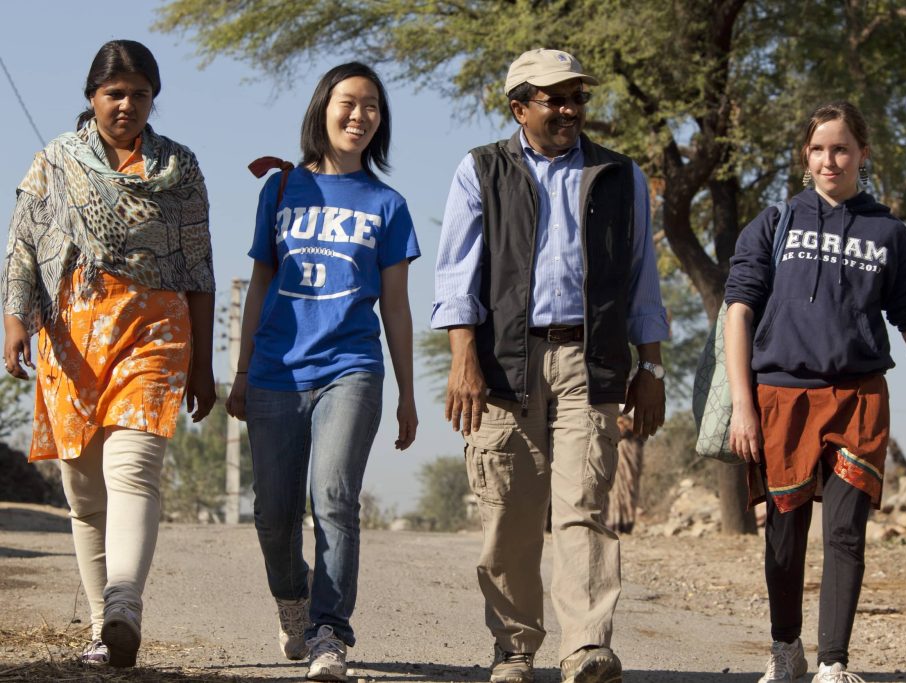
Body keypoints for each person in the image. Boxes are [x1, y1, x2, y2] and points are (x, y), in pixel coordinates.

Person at [432, 48, 668, 683]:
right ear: (519, 108)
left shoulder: (621, 177)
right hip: (505, 361)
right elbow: (457, 278)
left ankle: (586, 647)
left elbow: (642, 278)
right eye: (554, 99)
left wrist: (652, 366)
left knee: (583, 503)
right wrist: (464, 362)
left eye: (576, 99)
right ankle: (513, 649)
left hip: (588, 360)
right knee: (509, 511)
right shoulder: (480, 170)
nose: (569, 110)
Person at [724, 101, 906, 683]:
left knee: (845, 531)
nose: (830, 160)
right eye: (818, 149)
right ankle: (786, 652)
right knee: (784, 534)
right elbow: (738, 311)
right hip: (781, 396)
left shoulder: (888, 232)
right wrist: (742, 404)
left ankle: (833, 663)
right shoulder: (775, 222)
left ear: (862, 153)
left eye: (841, 148)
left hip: (859, 397)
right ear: (805, 157)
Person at [1, 40, 216, 668]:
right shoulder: (54, 162)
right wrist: (16, 321)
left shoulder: (181, 170)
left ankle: (125, 604)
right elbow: (22, 246)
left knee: (135, 469)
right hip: (71, 338)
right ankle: (105, 630)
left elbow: (199, 271)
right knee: (85, 493)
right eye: (114, 93)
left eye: (139, 94)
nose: (126, 105)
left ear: (154, 99)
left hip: (154, 332)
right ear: (91, 97)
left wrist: (201, 364)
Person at [225, 62, 419, 682]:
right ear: (322, 109)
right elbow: (260, 284)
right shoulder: (281, 189)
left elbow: (396, 304)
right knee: (273, 513)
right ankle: (295, 604)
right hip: (277, 370)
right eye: (348, 103)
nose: (359, 116)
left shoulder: (388, 205)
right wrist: (242, 371)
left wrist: (408, 392)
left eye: (372, 107)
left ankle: (330, 632)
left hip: (351, 368)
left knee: (333, 497)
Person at [603, 415, 644, 535]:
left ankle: (627, 523)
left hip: (632, 446)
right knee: (615, 487)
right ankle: (613, 521)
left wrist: (629, 425)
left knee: (630, 485)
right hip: (618, 445)